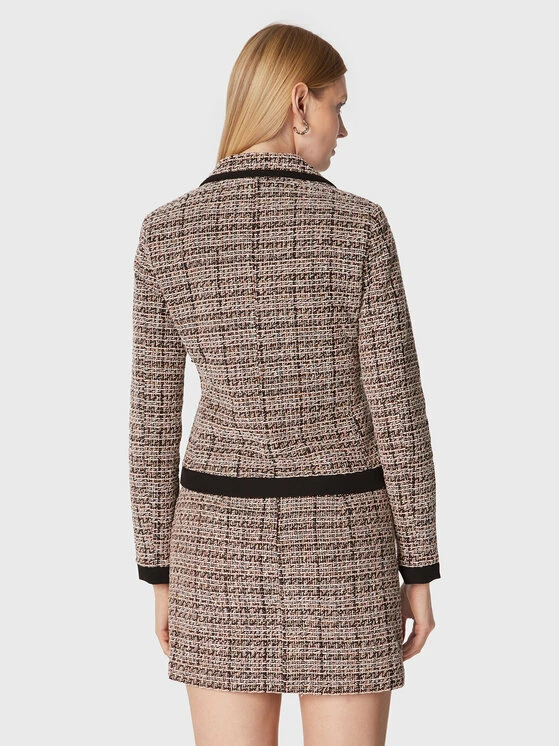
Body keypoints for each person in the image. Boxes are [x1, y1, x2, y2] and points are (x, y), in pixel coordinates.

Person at [129, 22, 441, 746]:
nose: (343, 128)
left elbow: (152, 421)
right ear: (299, 103)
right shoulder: (359, 227)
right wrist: (419, 567)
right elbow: (399, 412)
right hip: (348, 550)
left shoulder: (167, 232)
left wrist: (159, 572)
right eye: (337, 105)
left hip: (215, 549)